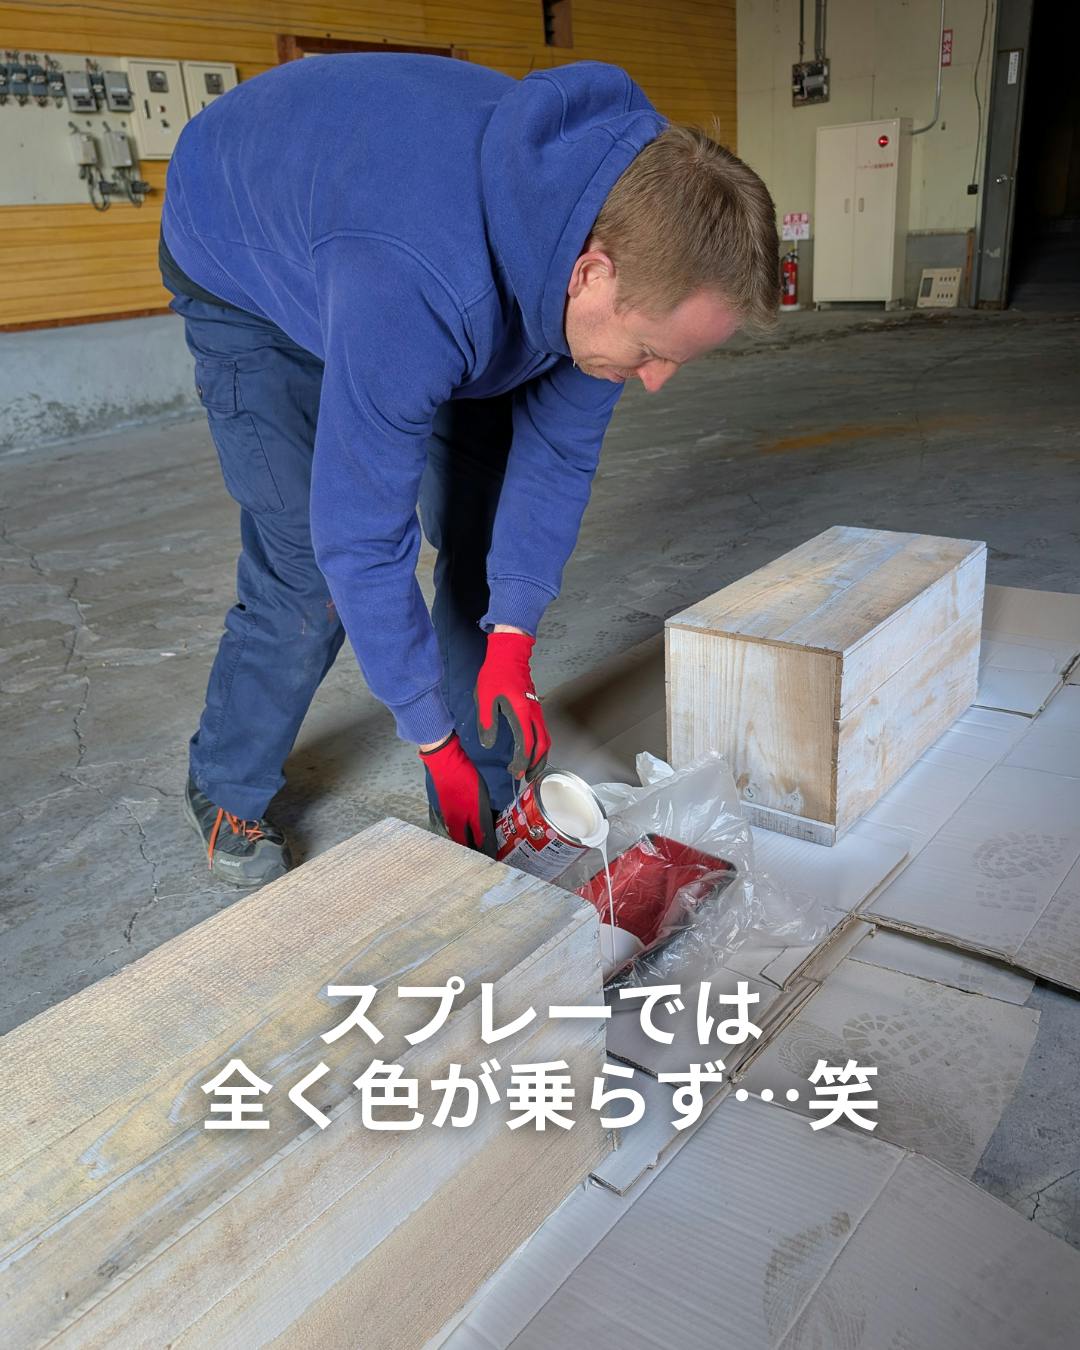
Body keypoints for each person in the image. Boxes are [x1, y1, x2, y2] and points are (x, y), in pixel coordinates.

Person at [159, 54, 778, 887]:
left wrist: (512, 636)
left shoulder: (620, 251)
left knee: (481, 540)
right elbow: (359, 537)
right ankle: (225, 781)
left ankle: (485, 802)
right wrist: (429, 734)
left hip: (403, 259)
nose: (656, 379)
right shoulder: (418, 281)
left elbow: (555, 459)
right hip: (245, 261)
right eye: (650, 352)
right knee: (308, 563)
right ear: (591, 274)